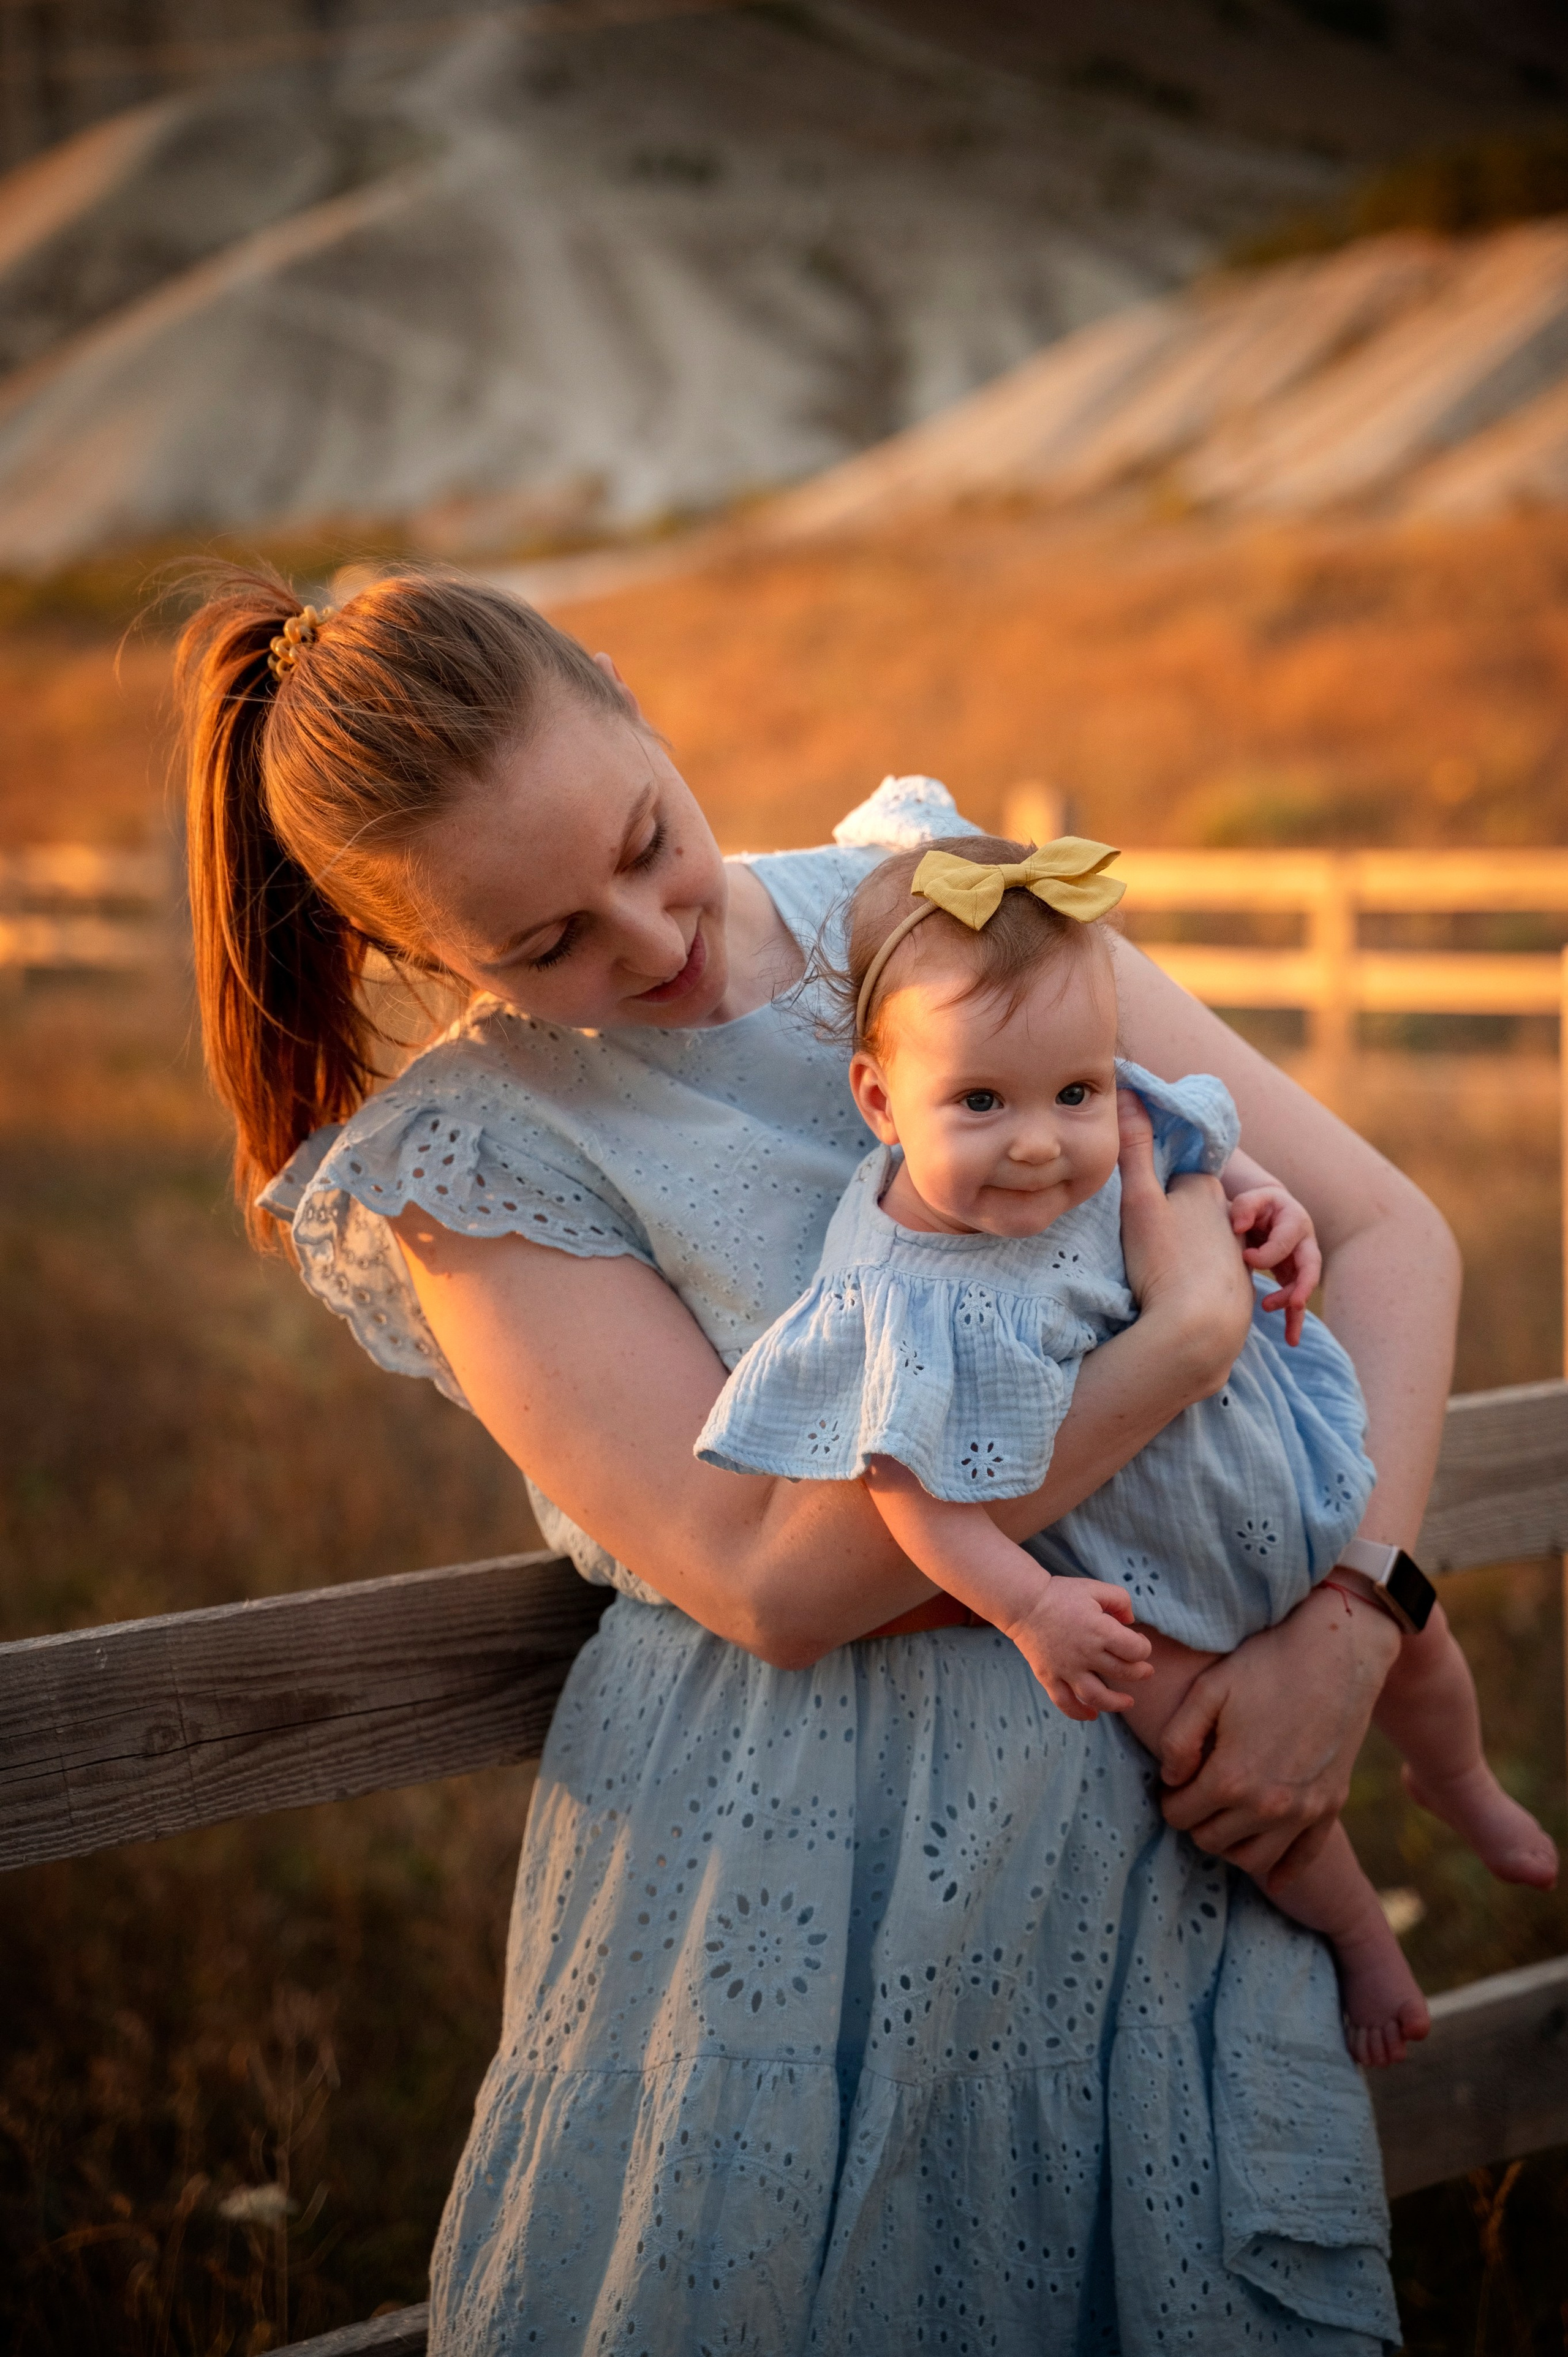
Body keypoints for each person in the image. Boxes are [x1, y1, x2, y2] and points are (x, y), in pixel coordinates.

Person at [178, 566, 1459, 2353]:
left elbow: (1390, 1235)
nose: (643, 940)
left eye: (648, 839)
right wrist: (1172, 1355)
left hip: (1183, 1836)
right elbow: (768, 1577)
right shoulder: (473, 1158)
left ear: (631, 699)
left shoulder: (943, 913)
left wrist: (1352, 1622)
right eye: (541, 944)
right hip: (805, 1886)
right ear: (415, 953)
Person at [695, 834, 1556, 2072]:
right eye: (979, 1104)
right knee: (1223, 1769)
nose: (1041, 1140)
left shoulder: (1126, 1119)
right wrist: (1031, 1605)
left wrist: (1267, 1200)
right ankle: (1364, 1935)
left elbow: (1208, 1141)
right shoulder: (893, 1285)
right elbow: (905, 1494)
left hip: (1267, 1479)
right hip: (1127, 1590)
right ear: (879, 1100)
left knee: (1414, 1637)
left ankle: (1455, 1778)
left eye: (1073, 1094)